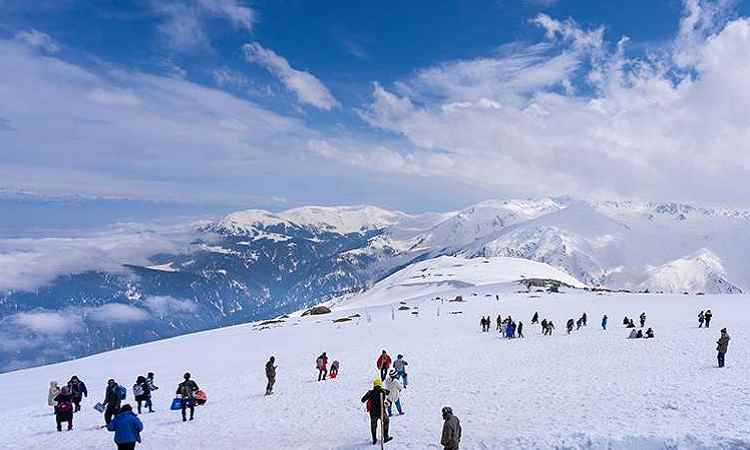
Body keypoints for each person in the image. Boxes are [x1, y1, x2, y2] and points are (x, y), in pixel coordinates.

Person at [360, 378, 392, 445]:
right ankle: (386, 437)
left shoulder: (370, 392)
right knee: (386, 421)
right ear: (380, 385)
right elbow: (389, 392)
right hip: (381, 411)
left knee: (373, 425)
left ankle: (374, 439)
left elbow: (362, 400)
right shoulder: (383, 391)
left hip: (373, 413)